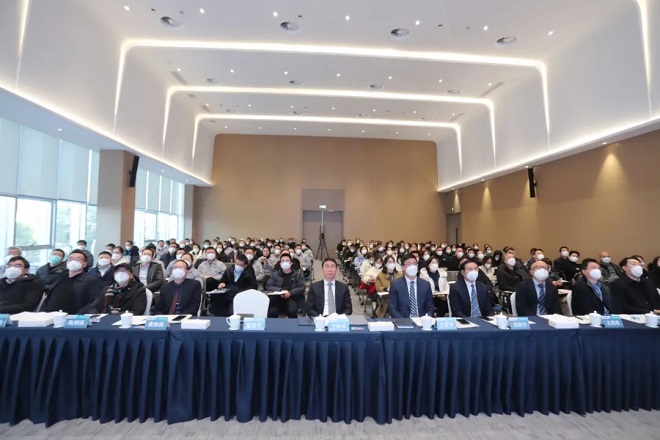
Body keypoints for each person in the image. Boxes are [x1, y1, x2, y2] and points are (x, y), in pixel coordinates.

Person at [388, 254, 434, 318]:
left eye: (414, 263)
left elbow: (430, 307)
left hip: (422, 320)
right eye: (409, 264)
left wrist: (426, 318)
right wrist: (403, 321)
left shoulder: (425, 284)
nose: (412, 266)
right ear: (402, 267)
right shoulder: (396, 285)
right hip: (403, 320)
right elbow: (392, 308)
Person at [266, 253, 305, 318]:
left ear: (291, 263)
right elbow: (269, 286)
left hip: (292, 297)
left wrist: (290, 293)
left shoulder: (297, 274)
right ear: (280, 263)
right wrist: (280, 291)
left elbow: (302, 287)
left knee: (292, 311)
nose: (285, 262)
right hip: (277, 297)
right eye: (283, 261)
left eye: (287, 261)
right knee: (272, 312)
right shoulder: (275, 274)